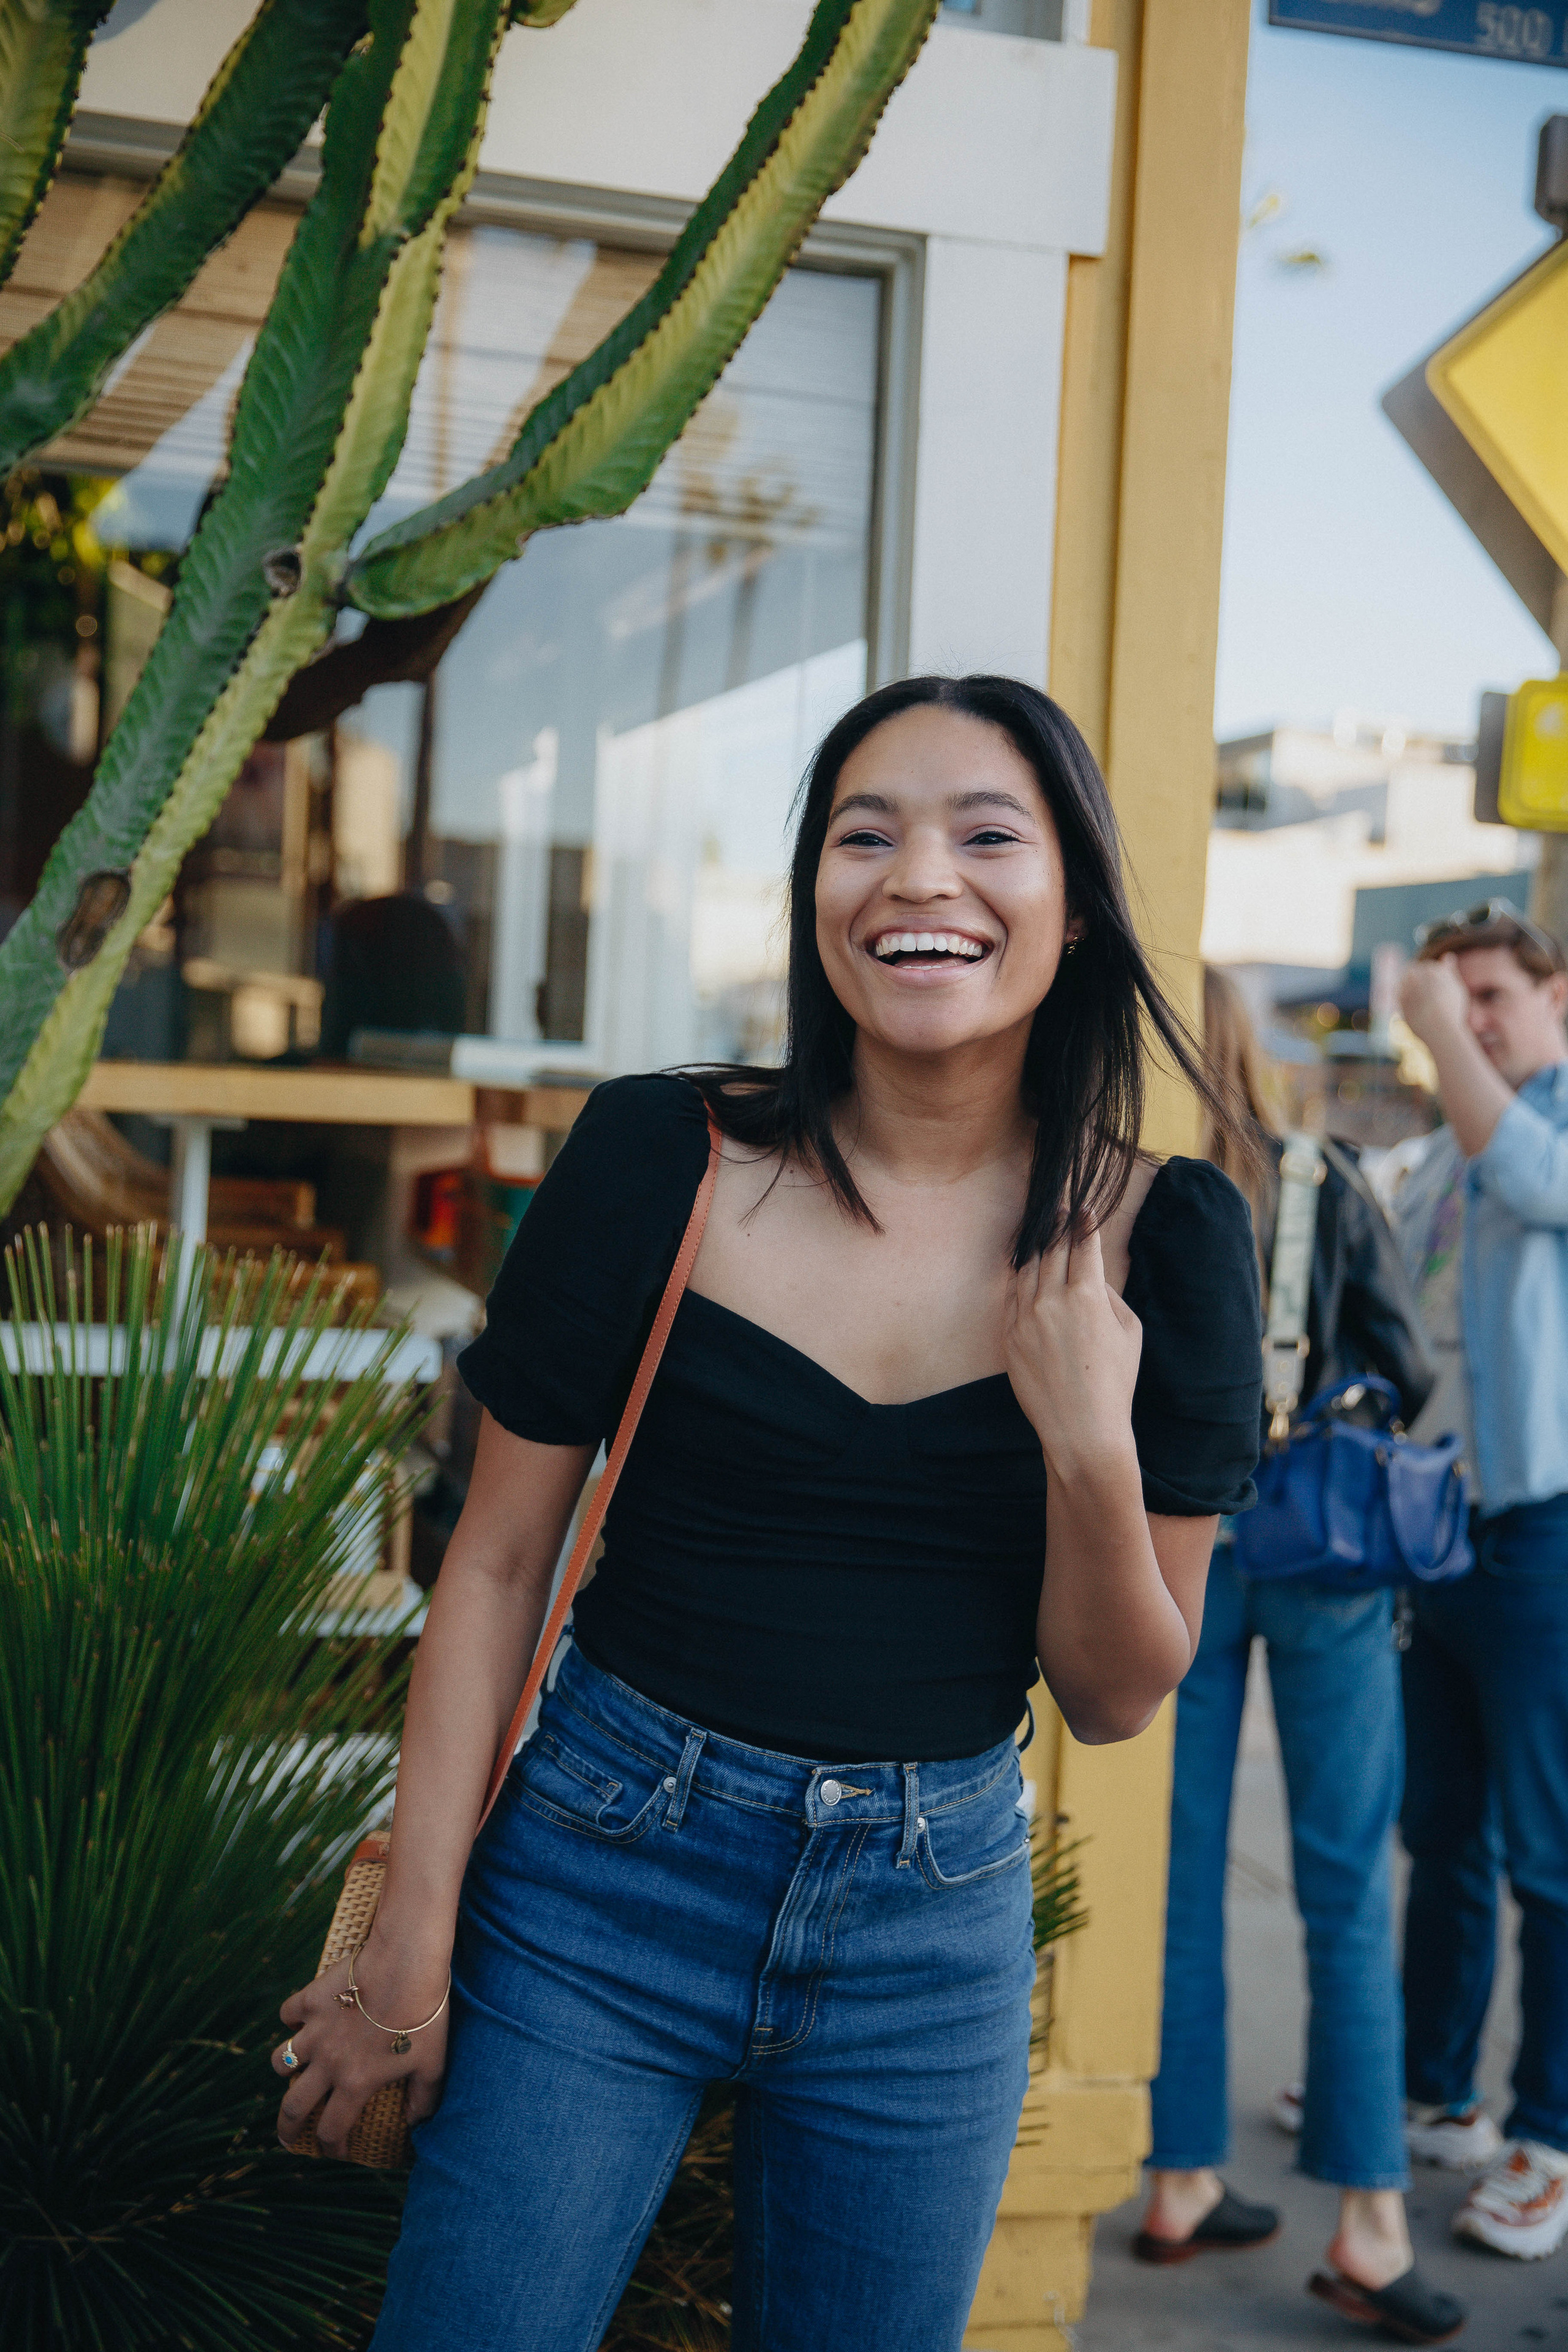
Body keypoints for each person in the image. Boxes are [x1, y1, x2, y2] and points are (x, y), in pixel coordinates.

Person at [271, 675, 1264, 2352]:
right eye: (863, 836)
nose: (918, 880)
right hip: (596, 1878)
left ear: (1075, 905)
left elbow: (1114, 1694)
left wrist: (1089, 1439)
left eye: (986, 836)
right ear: (815, 899)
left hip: (928, 1927)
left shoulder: (1167, 1247)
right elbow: (498, 1562)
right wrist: (407, 1954)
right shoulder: (664, 1154)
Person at [1139, 967, 1466, 2347]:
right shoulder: (1318, 1174)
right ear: (1248, 1048)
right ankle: (1368, 2225)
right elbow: (1395, 1361)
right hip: (1323, 1555)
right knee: (1339, 1883)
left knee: (1179, 1872)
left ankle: (1176, 2177)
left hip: (1169, 1551)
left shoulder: (1123, 1191)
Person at [1389, 900, 1568, 2261]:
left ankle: (1549, 2138)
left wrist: (1444, 1038)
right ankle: (1436, 2091)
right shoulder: (1447, 1153)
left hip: (1543, 1537)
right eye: (1451, 997)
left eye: (1492, 994)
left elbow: (1536, 1185)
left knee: (1550, 1858)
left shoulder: (1531, 1130)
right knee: (1440, 1830)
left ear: (1549, 996)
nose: (1471, 1018)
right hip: (1439, 1539)